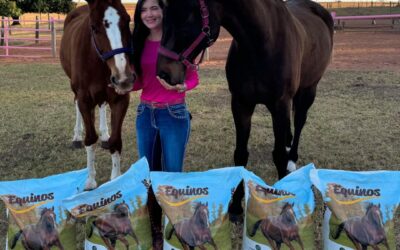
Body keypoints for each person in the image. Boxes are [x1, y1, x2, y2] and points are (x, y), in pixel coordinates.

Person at [131, 0, 199, 248]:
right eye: (144, 10)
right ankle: (156, 228)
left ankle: (175, 227)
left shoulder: (177, 39)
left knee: (171, 175)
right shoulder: (137, 43)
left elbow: (193, 77)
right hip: (145, 114)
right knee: (148, 176)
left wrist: (184, 86)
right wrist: (125, 85)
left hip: (174, 114)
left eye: (154, 8)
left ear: (163, 11)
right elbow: (140, 83)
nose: (149, 14)